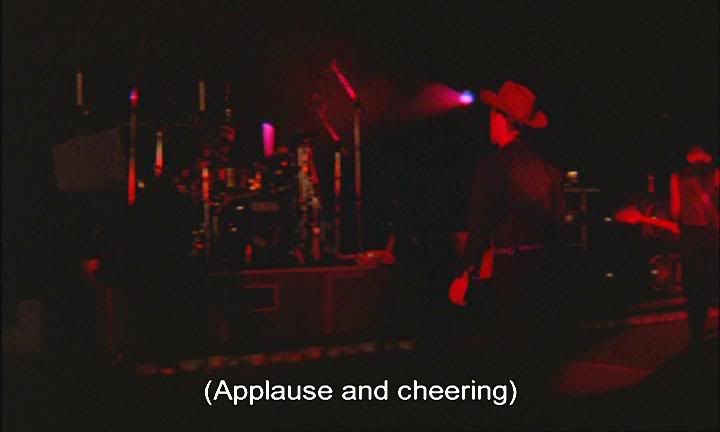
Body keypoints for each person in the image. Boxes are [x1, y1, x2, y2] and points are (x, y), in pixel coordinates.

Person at [448, 81, 567, 367]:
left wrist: (464, 272)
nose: (489, 121)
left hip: (511, 266)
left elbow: (480, 224)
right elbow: (558, 222)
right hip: (543, 264)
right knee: (538, 348)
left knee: (510, 347)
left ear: (502, 119)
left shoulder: (493, 166)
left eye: (492, 115)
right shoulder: (547, 169)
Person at [670, 144, 719, 349]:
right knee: (712, 277)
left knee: (693, 283)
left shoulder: (677, 176)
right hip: (712, 232)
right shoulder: (715, 173)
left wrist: (678, 227)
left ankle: (696, 332)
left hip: (690, 233)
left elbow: (675, 209)